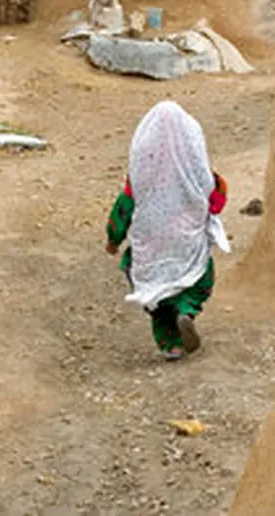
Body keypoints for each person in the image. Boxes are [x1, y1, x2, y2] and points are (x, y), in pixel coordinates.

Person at [105, 101, 230, 361]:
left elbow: (123, 209)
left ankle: (170, 344)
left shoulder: (139, 179)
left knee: (155, 296)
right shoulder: (199, 174)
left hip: (152, 245)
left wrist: (113, 239)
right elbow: (217, 200)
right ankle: (186, 309)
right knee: (200, 277)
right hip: (187, 241)